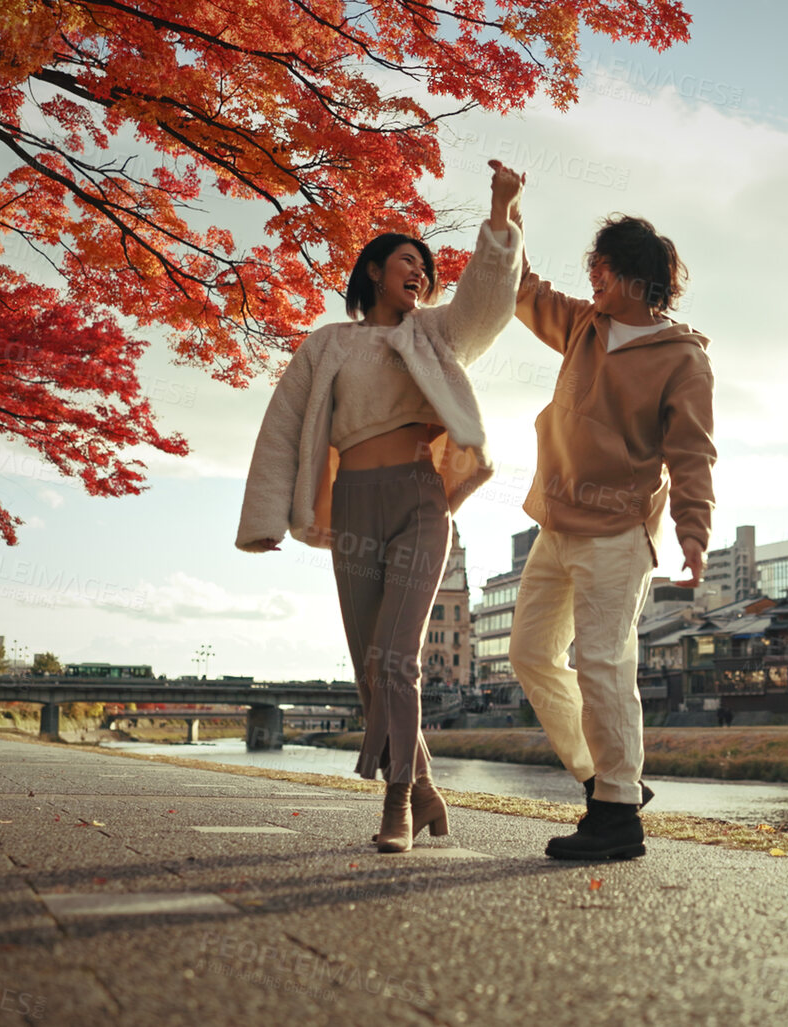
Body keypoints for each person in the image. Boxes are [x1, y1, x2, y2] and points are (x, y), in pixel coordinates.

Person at [238, 160, 526, 853]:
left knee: (397, 658)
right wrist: (264, 519)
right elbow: (281, 427)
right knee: (371, 668)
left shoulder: (433, 333)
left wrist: (500, 215)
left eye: (425, 267)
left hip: (420, 502)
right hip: (353, 508)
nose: (420, 273)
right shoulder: (327, 344)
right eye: (407, 261)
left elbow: (486, 304)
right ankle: (424, 788)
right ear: (372, 270)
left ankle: (395, 803)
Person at [509, 213, 716, 861]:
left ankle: (617, 816)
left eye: (601, 270)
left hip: (618, 531)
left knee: (601, 663)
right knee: (529, 653)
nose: (590, 279)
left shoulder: (682, 360)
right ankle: (604, 778)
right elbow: (520, 289)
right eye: (590, 269)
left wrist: (693, 531)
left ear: (634, 279)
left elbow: (691, 454)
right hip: (556, 521)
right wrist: (507, 219)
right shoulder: (582, 325)